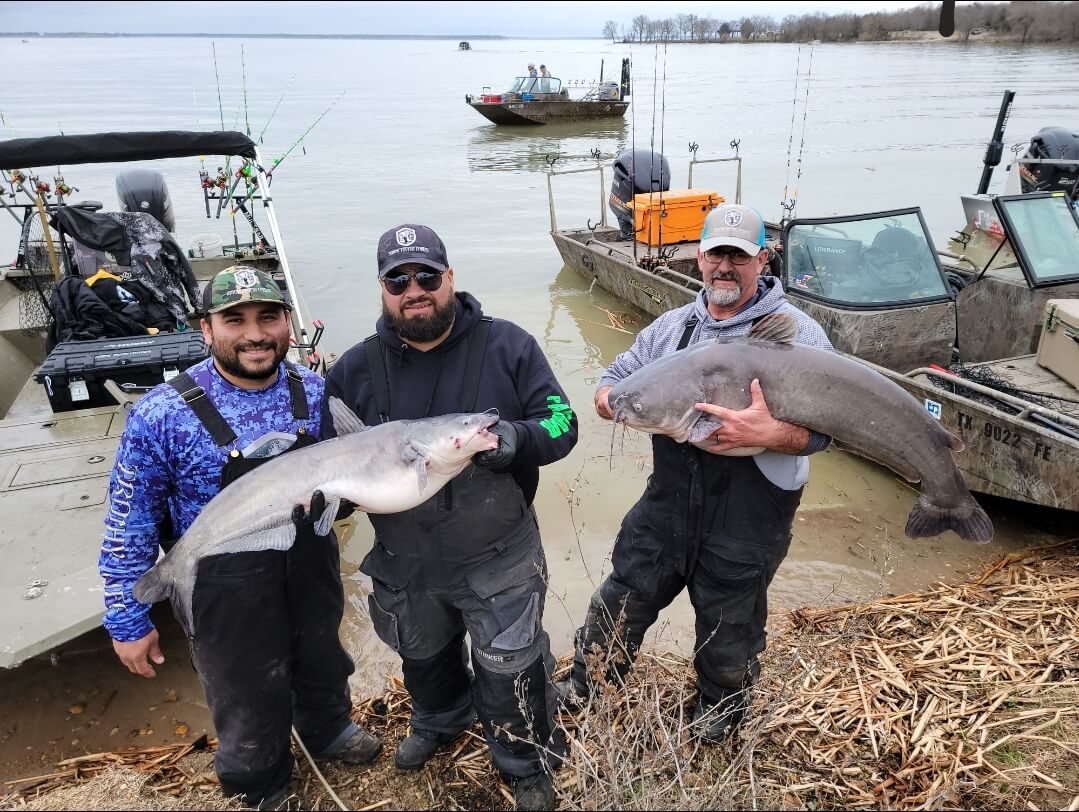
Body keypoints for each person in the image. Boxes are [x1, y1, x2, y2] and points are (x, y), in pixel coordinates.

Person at [99, 266, 381, 808]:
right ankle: (259, 781)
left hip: (310, 564)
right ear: (206, 329)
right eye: (235, 320)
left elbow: (360, 473)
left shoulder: (318, 391)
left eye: (268, 317)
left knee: (323, 654)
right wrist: (126, 619)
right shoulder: (161, 414)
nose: (255, 333)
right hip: (220, 584)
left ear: (288, 324)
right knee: (246, 689)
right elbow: (127, 527)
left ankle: (327, 731)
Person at [558, 204, 834, 743]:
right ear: (699, 256)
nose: (724, 267)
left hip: (748, 516)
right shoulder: (671, 330)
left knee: (730, 626)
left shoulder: (799, 335)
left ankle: (718, 713)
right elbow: (611, 382)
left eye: (739, 255)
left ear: (764, 259)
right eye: (715, 254)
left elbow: (831, 429)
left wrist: (772, 435)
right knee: (621, 597)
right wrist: (617, 405)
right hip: (666, 507)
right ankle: (587, 687)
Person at [324, 224, 578, 811]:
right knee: (421, 652)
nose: (415, 290)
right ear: (383, 290)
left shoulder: (509, 345)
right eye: (398, 279)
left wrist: (517, 438)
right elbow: (328, 462)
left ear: (450, 279)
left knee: (509, 660)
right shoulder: (353, 370)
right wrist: (327, 503)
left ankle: (523, 757)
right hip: (404, 558)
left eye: (427, 276)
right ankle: (440, 718)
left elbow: (564, 421)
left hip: (498, 550)